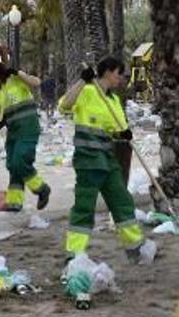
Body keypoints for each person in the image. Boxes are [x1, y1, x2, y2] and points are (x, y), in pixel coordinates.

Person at [58, 56, 156, 264]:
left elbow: (116, 131)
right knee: (84, 207)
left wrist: (124, 135)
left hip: (107, 160)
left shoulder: (112, 101)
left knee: (122, 201)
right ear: (109, 71)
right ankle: (74, 254)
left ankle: (135, 247)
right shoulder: (87, 92)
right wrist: (82, 81)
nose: (122, 78)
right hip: (87, 161)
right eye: (120, 73)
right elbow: (65, 105)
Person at [0, 61, 51, 212]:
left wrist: (19, 73)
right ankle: (14, 201)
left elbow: (36, 82)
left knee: (20, 161)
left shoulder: (15, 80)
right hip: (13, 132)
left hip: (28, 128)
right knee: (13, 165)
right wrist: (0, 122)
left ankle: (41, 188)